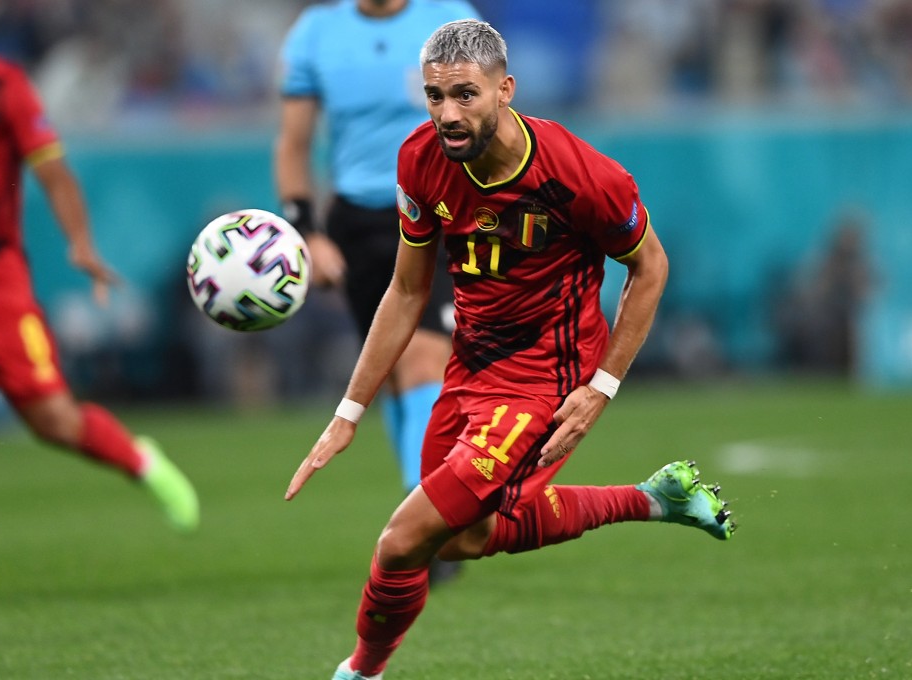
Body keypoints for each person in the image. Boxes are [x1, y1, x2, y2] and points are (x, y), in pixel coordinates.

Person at [286, 19, 736, 679]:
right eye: (435, 96)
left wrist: (599, 389)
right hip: (469, 365)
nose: (448, 113)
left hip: (544, 382)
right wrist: (347, 413)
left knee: (402, 540)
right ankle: (651, 499)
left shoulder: (579, 176)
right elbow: (407, 292)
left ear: (506, 89)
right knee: (462, 538)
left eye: (465, 94)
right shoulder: (419, 160)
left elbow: (651, 267)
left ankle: (360, 672)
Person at [0, 0, 198, 532]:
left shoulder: (3, 86)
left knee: (53, 419)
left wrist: (81, 242)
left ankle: (143, 462)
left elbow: (54, 173)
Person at [274, 0, 479, 582]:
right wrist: (307, 229)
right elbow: (293, 143)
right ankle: (427, 514)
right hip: (359, 224)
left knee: (422, 359)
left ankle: (429, 525)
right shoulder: (316, 34)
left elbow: (491, 113)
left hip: (442, 208)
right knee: (391, 370)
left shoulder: (448, 20)